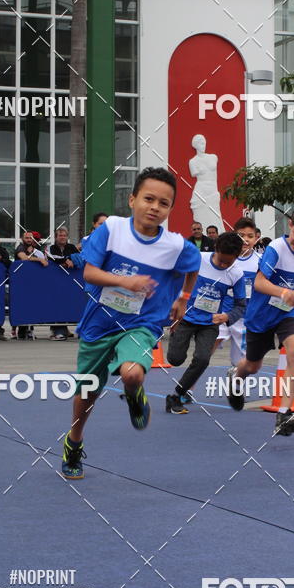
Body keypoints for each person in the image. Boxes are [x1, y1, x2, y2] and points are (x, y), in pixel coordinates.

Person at [61, 167, 201, 480]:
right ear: (132, 199)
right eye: (148, 199)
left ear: (169, 210)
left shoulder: (176, 246)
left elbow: (194, 266)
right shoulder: (111, 229)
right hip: (99, 323)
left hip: (142, 324)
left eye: (163, 203)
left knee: (132, 371)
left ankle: (135, 394)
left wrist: (183, 297)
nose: (155, 207)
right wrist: (127, 281)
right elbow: (89, 273)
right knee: (87, 393)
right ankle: (74, 441)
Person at [228, 201, 294, 437]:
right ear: (290, 225)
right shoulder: (276, 248)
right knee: (253, 365)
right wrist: (283, 292)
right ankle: (235, 376)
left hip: (290, 312)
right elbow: (259, 282)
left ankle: (284, 413)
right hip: (262, 313)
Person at [165, 232, 245, 413]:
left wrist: (227, 316)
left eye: (229, 262)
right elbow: (174, 277)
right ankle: (175, 336)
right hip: (186, 317)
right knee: (175, 360)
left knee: (202, 359)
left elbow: (241, 305)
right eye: (221, 260)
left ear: (237, 258)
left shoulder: (236, 274)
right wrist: (177, 303)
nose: (224, 265)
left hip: (210, 323)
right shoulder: (198, 259)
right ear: (215, 249)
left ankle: (177, 395)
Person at [214, 218, 260, 368]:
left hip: (245, 317)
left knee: (240, 361)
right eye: (241, 235)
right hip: (223, 312)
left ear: (256, 238)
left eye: (250, 236)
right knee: (205, 352)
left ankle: (236, 387)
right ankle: (187, 389)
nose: (246, 240)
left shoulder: (260, 260)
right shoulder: (225, 257)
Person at [45, 227, 80, 339]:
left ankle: (66, 328)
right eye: (60, 235)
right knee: (56, 304)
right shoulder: (51, 247)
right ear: (56, 237)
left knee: (69, 303)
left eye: (64, 235)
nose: (63, 237)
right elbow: (52, 257)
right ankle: (57, 330)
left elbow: (79, 258)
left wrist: (71, 260)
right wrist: (66, 260)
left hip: (70, 282)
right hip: (54, 282)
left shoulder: (72, 247)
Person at [13, 232, 48, 340]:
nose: (29, 239)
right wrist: (39, 260)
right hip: (20, 283)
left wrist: (39, 257)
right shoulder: (20, 248)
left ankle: (29, 330)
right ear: (22, 239)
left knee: (31, 305)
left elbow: (45, 260)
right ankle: (19, 331)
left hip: (31, 283)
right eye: (27, 238)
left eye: (30, 238)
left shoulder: (34, 250)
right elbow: (24, 258)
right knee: (20, 306)